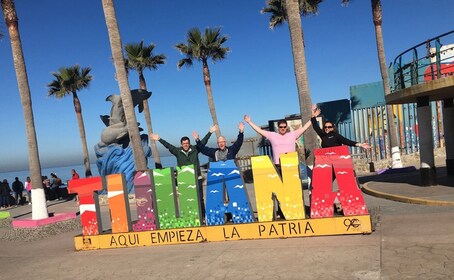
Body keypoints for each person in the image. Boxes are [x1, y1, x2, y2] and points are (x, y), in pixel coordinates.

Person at [150, 125, 217, 219]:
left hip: (196, 177)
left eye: (187, 143)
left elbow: (203, 142)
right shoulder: (177, 151)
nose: (186, 144)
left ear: (189, 143)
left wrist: (210, 132)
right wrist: (159, 139)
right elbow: (168, 146)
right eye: (184, 143)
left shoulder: (195, 149)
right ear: (181, 144)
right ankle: (190, 217)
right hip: (184, 179)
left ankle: (203, 216)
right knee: (186, 199)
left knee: (200, 198)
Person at [244, 113, 313, 166]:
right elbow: (259, 130)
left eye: (284, 127)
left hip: (292, 164)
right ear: (278, 127)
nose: (282, 128)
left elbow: (304, 128)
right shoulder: (272, 135)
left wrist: (313, 117)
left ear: (286, 127)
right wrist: (249, 122)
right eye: (281, 127)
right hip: (278, 165)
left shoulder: (292, 134)